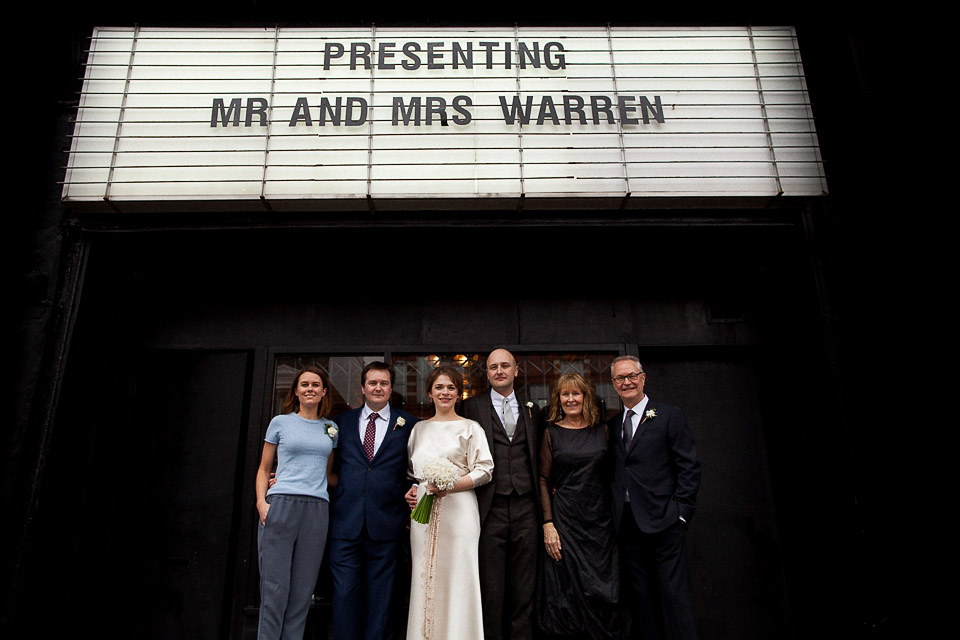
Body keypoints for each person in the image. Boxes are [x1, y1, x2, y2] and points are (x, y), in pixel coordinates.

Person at [609, 356, 701, 640]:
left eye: (631, 376)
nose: (627, 382)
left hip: (665, 522)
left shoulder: (668, 414)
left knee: (675, 598)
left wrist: (681, 513)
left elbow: (689, 466)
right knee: (641, 601)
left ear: (643, 378)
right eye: (620, 378)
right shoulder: (612, 425)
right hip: (627, 526)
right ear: (613, 385)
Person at [329, 362, 419, 640]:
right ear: (362, 388)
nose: (378, 388)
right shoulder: (340, 423)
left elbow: (419, 468)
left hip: (387, 525)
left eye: (384, 383)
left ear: (391, 388)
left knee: (382, 601)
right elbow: (325, 466)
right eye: (372, 383)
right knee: (344, 597)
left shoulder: (409, 425)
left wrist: (415, 490)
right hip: (346, 524)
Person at [406, 365, 494, 640]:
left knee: (458, 575)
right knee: (424, 574)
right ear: (429, 393)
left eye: (451, 388)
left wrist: (452, 484)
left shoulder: (471, 428)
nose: (445, 393)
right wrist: (413, 489)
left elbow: (485, 469)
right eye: (439, 388)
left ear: (459, 394)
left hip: (460, 511)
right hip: (423, 513)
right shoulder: (418, 429)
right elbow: (412, 471)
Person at [463, 348, 544, 640]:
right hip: (489, 509)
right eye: (493, 367)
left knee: (524, 591)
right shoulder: (471, 408)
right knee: (491, 591)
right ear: (486, 373)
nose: (499, 371)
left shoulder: (534, 409)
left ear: (516, 370)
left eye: (505, 366)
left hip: (526, 509)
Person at [255, 366, 338, 640]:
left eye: (316, 384)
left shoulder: (331, 429)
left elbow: (326, 475)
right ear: (296, 390)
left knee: (303, 592)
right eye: (304, 384)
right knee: (274, 589)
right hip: (281, 505)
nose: (310, 389)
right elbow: (265, 468)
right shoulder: (280, 422)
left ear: (324, 391)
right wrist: (261, 502)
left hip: (316, 509)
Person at [537, 373, 619, 640]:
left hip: (600, 522)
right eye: (565, 394)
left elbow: (613, 474)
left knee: (604, 589)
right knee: (568, 590)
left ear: (586, 397)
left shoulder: (603, 430)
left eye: (576, 393)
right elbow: (543, 479)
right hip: (566, 521)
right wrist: (548, 523)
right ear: (558, 400)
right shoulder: (551, 433)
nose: (571, 399)